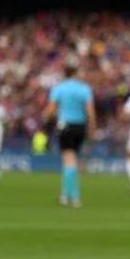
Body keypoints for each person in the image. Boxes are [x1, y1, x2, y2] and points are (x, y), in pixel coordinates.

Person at [46, 62, 95, 209]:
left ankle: (72, 196)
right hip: (80, 126)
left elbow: (51, 110)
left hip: (65, 125)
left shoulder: (58, 88)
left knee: (68, 160)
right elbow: (90, 112)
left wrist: (46, 121)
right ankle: (67, 194)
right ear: (75, 73)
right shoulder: (84, 89)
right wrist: (92, 128)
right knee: (73, 159)